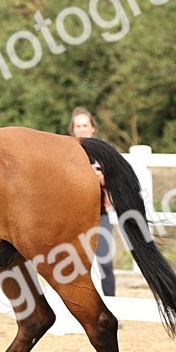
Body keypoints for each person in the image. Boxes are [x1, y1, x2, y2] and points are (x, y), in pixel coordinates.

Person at [69, 106, 116, 297]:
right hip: (73, 218)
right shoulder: (68, 154)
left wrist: (102, 179)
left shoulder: (102, 153)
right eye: (78, 126)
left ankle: (112, 307)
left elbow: (114, 180)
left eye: (84, 125)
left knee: (105, 263)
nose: (81, 129)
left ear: (92, 128)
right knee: (72, 265)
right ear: (72, 129)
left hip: (100, 215)